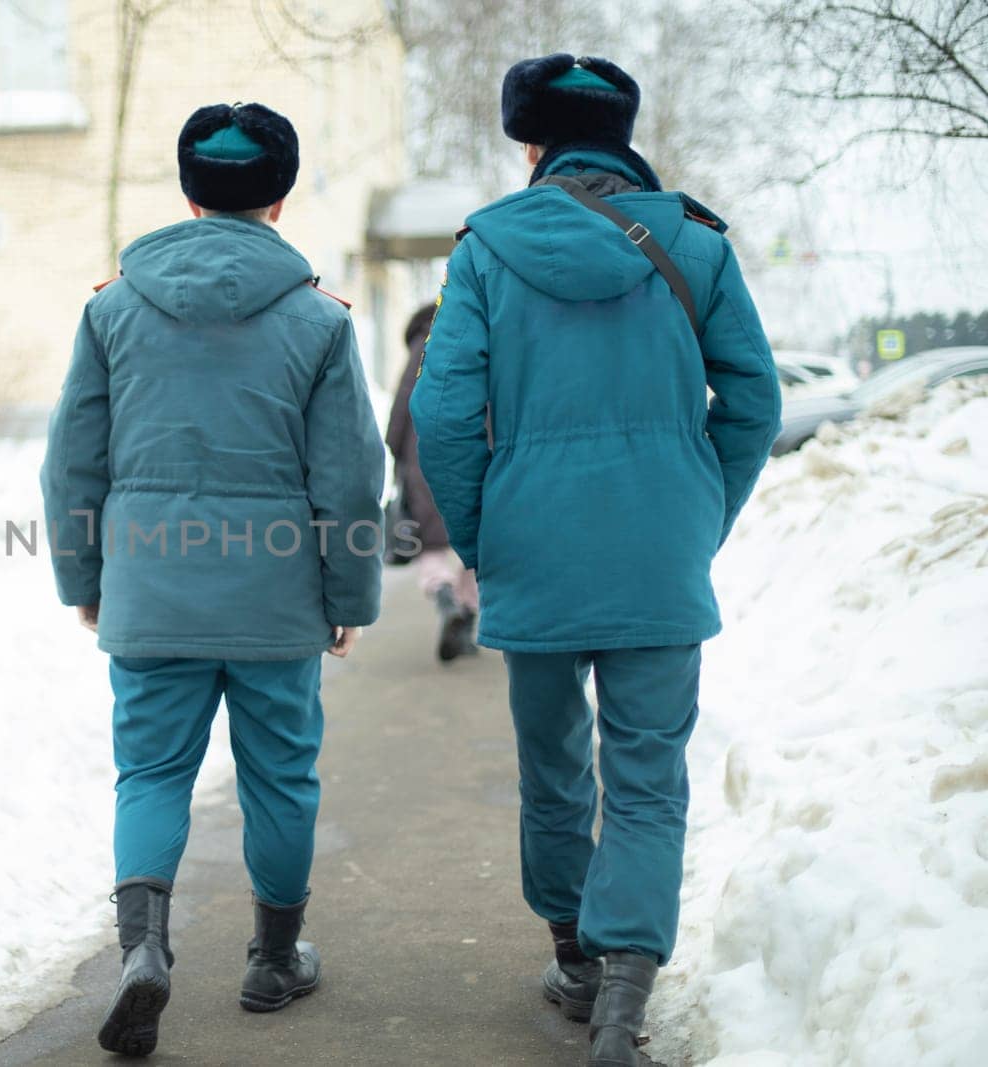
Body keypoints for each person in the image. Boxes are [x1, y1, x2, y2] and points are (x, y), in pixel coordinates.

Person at [409, 55, 781, 1066]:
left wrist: (483, 535)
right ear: (620, 135)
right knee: (649, 775)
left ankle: (574, 952)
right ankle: (625, 992)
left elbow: (440, 412)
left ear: (529, 143)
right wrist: (700, 512)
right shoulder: (695, 244)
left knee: (553, 761)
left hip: (534, 541)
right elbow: (753, 399)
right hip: (659, 543)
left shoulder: (484, 248)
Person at [40, 101, 383, 1057]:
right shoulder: (318, 318)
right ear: (281, 196)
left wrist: (85, 576)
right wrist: (348, 594)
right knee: (282, 775)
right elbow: (350, 474)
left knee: (150, 771)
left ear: (189, 191)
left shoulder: (112, 308)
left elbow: (73, 458)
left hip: (150, 587)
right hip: (276, 595)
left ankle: (143, 952)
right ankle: (275, 959)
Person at [386, 302, 478, 662]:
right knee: (476, 546)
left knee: (432, 544)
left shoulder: (422, 345)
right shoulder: (480, 334)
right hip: (476, 450)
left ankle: (443, 597)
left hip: (423, 454)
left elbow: (402, 405)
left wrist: (396, 451)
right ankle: (467, 615)